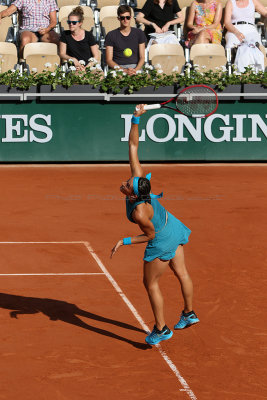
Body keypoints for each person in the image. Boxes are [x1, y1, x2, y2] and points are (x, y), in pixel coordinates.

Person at [111, 105, 199, 346]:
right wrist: (135, 119)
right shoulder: (140, 182)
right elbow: (132, 146)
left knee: (150, 283)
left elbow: (149, 236)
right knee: (181, 273)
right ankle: (189, 313)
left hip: (160, 238)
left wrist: (124, 241)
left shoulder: (139, 214)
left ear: (134, 195)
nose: (125, 181)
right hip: (173, 226)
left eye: (127, 185)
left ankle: (161, 329)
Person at [105, 5, 146, 76]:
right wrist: (123, 70)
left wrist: (135, 70)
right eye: (122, 18)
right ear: (118, 18)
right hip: (118, 68)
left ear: (131, 18)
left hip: (136, 67)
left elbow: (142, 57)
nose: (125, 20)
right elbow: (109, 60)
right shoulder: (111, 35)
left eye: (128, 17)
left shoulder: (139, 33)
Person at [59, 6, 100, 71]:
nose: (71, 24)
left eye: (74, 22)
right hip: (74, 67)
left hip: (89, 66)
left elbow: (96, 56)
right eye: (69, 22)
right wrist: (72, 59)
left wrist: (87, 67)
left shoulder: (88, 35)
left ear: (80, 23)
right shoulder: (65, 35)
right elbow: (62, 54)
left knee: (100, 76)